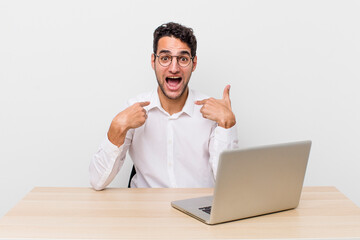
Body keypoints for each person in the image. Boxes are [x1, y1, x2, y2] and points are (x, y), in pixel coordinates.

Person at [89, 22, 238, 190]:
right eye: (165, 58)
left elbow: (230, 186)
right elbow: (97, 181)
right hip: (146, 211)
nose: (174, 68)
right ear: (153, 61)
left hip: (198, 209)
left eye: (182, 59)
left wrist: (227, 125)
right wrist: (116, 127)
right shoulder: (134, 109)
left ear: (193, 63)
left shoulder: (213, 113)